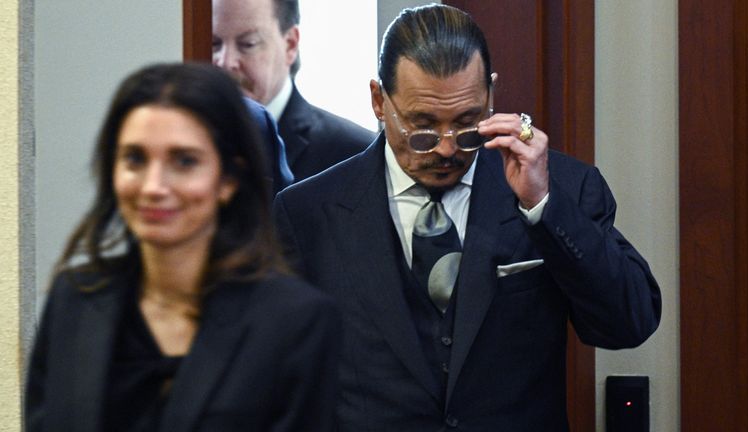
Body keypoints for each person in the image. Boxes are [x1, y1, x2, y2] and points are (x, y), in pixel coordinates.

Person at [273, 4, 662, 431]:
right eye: (422, 127)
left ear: (491, 96)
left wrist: (543, 206)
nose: (445, 148)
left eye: (466, 124)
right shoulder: (308, 213)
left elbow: (629, 323)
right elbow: (279, 379)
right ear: (379, 102)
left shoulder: (564, 187)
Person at [25, 62, 341, 432]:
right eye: (135, 159)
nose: (154, 186)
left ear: (227, 179)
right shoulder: (76, 297)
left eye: (184, 161)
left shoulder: (296, 322)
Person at [212, 0, 375, 182]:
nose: (225, 62)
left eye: (248, 44)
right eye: (214, 44)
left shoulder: (356, 153)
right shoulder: (185, 140)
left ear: (290, 44)